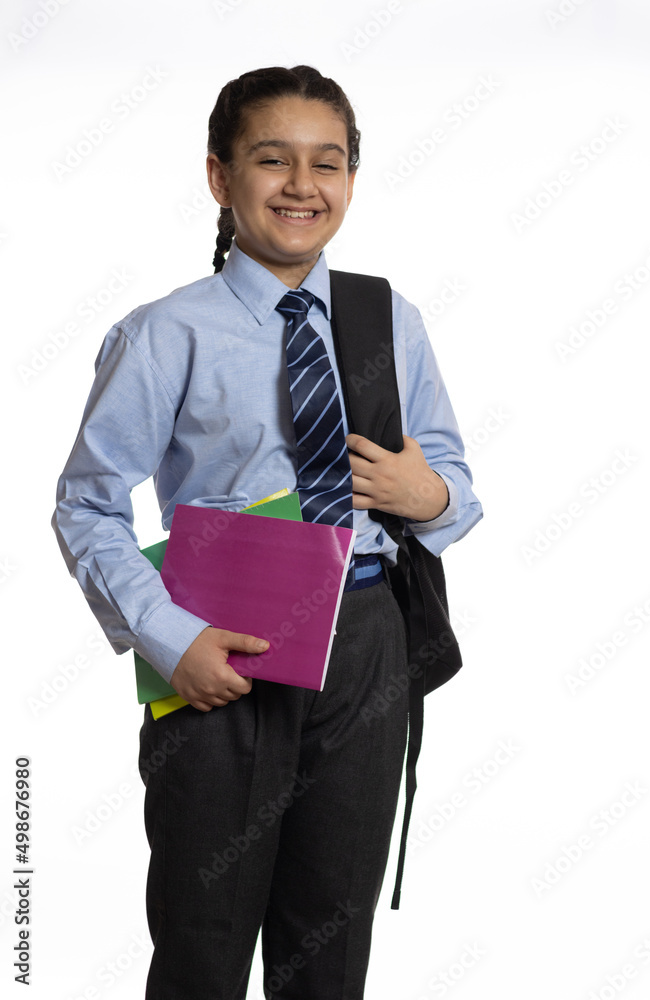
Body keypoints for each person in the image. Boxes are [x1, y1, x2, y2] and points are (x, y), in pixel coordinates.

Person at [52, 64, 482, 1000]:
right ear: (220, 176)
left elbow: (455, 488)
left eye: (327, 163)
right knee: (203, 943)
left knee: (327, 944)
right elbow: (85, 505)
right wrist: (171, 642)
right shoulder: (166, 334)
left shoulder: (384, 317)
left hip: (365, 638)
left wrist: (425, 495)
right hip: (218, 653)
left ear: (350, 181)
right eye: (270, 159)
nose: (301, 185)